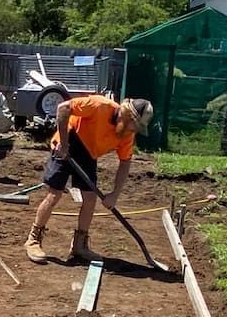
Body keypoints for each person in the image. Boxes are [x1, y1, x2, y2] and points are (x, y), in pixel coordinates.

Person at [24, 95, 154, 264]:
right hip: (70, 139)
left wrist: (115, 194)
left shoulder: (126, 135)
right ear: (127, 115)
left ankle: (79, 245)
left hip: (89, 152)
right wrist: (64, 143)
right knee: (54, 195)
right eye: (135, 126)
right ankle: (33, 239)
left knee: (90, 199)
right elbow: (63, 108)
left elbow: (125, 162)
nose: (134, 131)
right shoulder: (99, 106)